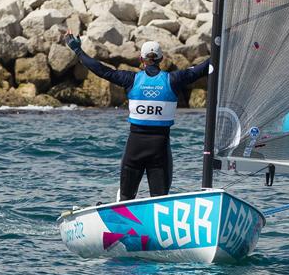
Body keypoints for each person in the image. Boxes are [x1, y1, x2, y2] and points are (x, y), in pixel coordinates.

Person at [65, 33, 210, 201]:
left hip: (134, 150)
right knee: (159, 201)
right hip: (160, 150)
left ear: (141, 59)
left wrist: (77, 50)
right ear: (161, 59)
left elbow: (102, 70)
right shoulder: (174, 80)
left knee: (126, 199)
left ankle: (120, 218)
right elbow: (204, 67)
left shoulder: (131, 79)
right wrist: (225, 45)